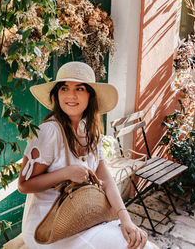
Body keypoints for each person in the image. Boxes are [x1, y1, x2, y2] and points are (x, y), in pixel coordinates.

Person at [18, 62, 156, 249]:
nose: (71, 95)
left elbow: (105, 178)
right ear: (57, 94)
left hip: (84, 216)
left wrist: (125, 218)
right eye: (64, 88)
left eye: (80, 88)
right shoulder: (49, 132)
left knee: (139, 242)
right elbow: (24, 185)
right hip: (49, 228)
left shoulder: (90, 129)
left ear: (90, 95)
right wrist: (66, 173)